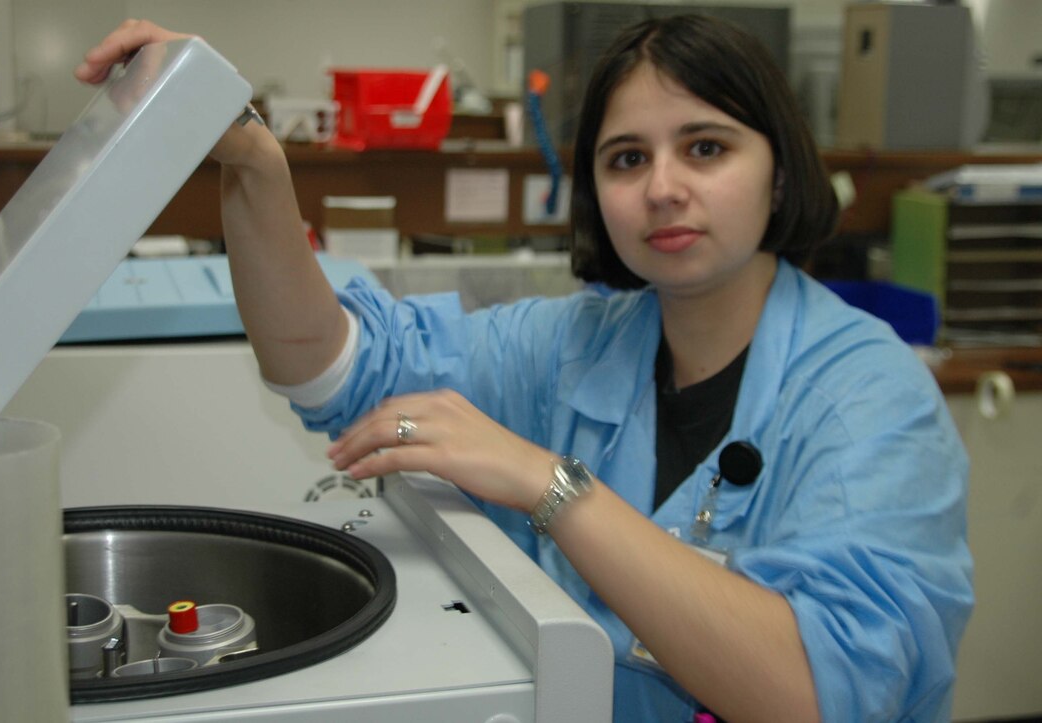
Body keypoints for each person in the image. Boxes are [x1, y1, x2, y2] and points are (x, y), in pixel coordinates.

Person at [77, 14, 973, 722]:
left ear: (777, 171)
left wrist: (552, 485)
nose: (663, 186)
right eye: (628, 158)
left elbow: (818, 695)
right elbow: (326, 366)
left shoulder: (871, 397)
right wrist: (256, 167)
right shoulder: (574, 345)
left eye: (706, 147)